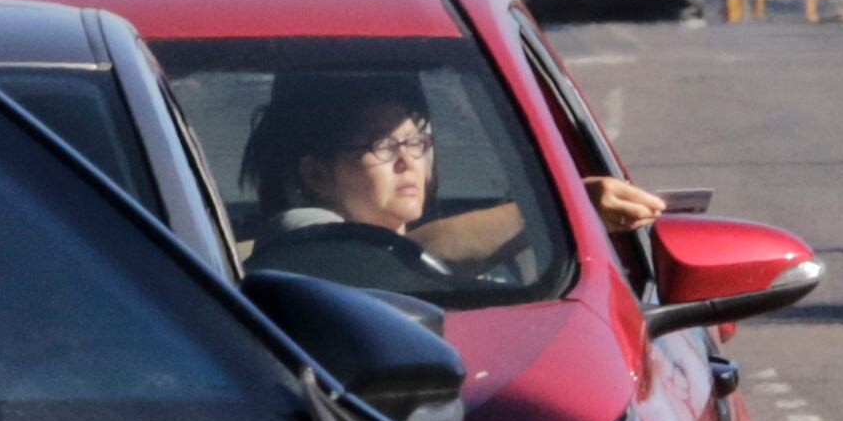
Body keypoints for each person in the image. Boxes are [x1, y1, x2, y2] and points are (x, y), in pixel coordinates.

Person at [244, 76, 659, 285]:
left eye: (417, 141)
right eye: (383, 146)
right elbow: (412, 253)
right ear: (317, 175)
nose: (409, 161)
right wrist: (565, 206)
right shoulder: (294, 247)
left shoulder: (496, 267)